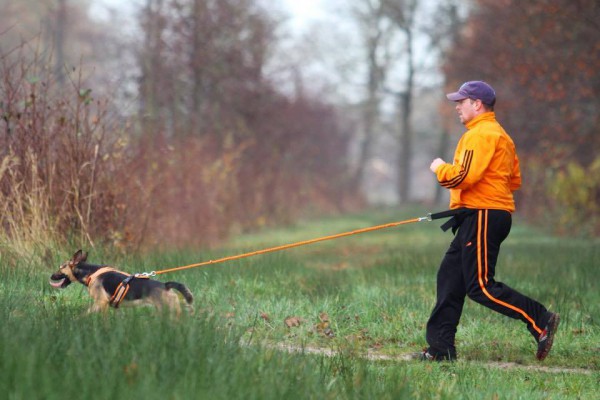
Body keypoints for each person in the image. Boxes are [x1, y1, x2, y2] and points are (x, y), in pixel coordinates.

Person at [422, 81, 559, 362]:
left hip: (484, 215)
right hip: (481, 213)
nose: (457, 106)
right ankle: (441, 350)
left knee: (481, 287)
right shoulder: (500, 135)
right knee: (449, 279)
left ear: (477, 104)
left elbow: (462, 177)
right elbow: (513, 180)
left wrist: (439, 168)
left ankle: (540, 319)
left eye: (462, 101)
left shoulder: (481, 134)